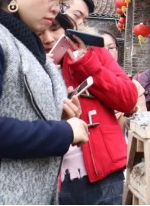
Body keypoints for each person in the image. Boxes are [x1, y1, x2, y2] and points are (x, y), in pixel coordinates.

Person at [0, 0, 89, 204]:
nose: (56, 10)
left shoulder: (26, 42)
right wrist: (63, 132)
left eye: (61, 2)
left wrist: (52, 111)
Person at [50, 16, 138, 205]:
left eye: (55, 28)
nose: (48, 38)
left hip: (104, 171)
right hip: (49, 177)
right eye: (41, 30)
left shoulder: (92, 51)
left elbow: (128, 99)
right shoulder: (25, 56)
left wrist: (87, 65)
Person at [96, 29, 147, 131]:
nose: (106, 52)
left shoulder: (133, 87)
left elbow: (141, 125)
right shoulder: (85, 84)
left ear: (117, 51)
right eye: (100, 48)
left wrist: (131, 112)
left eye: (111, 48)